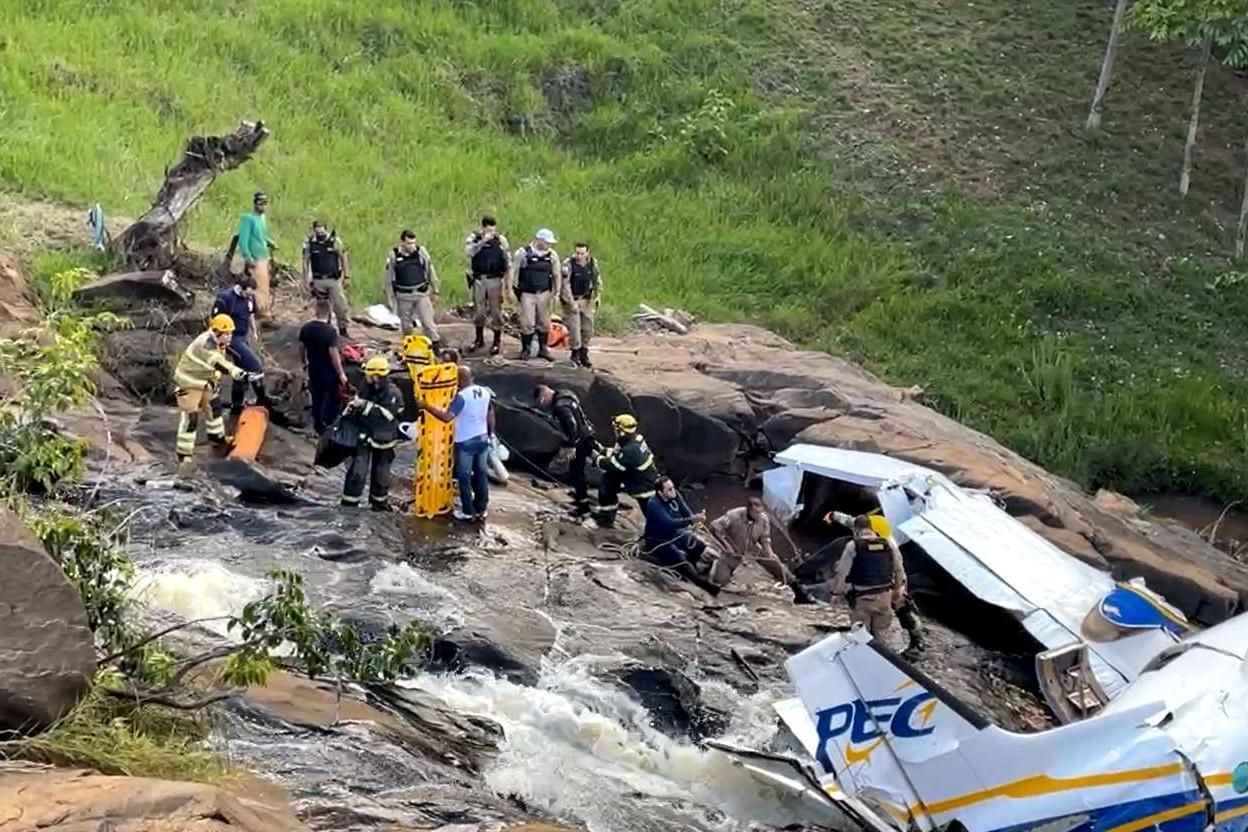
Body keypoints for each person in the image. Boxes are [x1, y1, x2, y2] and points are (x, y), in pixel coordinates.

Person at [420, 365, 496, 522]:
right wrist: (491, 433)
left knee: (464, 477)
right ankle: (481, 509)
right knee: (481, 475)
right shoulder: (485, 392)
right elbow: (490, 413)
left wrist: (426, 406)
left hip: (465, 441)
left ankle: (467, 511)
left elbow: (447, 417)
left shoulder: (461, 397)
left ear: (459, 379)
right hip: (482, 438)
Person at [173, 314, 251, 463]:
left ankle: (218, 440)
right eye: (226, 334)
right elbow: (218, 362)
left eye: (230, 333)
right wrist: (237, 372)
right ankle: (184, 454)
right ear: (216, 332)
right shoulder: (205, 344)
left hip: (207, 382)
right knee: (191, 418)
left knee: (214, 410)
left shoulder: (219, 343)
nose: (229, 337)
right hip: (188, 383)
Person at [708, 498, 814, 604]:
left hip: (751, 546)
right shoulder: (733, 515)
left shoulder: (763, 519)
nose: (758, 516)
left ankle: (799, 590)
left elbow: (765, 539)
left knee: (775, 564)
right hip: (732, 550)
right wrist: (727, 545)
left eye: (760, 512)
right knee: (719, 581)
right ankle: (713, 566)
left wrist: (770, 552)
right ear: (748, 510)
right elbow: (714, 526)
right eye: (755, 513)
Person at [831, 515, 909, 645]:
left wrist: (836, 593)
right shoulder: (888, 544)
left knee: (860, 638)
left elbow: (842, 572)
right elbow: (899, 570)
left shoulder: (853, 546)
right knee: (881, 638)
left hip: (862, 600)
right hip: (884, 598)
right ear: (871, 528)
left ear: (856, 530)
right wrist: (896, 591)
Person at [341, 356, 403, 511]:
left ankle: (379, 503)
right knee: (357, 472)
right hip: (365, 435)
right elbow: (361, 402)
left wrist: (364, 406)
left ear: (376, 376)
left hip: (384, 439)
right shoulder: (366, 387)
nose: (365, 377)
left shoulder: (393, 393)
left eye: (368, 374)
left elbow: (388, 415)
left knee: (381, 473)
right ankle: (349, 504)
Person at [642, 477, 721, 595]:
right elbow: (669, 523)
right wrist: (692, 519)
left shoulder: (675, 496)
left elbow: (685, 511)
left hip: (675, 533)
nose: (673, 491)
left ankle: (705, 564)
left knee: (698, 545)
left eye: (673, 487)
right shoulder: (654, 505)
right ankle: (702, 583)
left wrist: (694, 519)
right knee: (680, 558)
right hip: (658, 539)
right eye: (669, 489)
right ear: (660, 493)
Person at [533, 384, 599, 514]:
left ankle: (583, 507)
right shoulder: (566, 394)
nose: (543, 404)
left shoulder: (560, 407)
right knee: (580, 469)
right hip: (587, 434)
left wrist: (571, 446)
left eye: (542, 400)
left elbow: (571, 424)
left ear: (544, 395)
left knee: (576, 472)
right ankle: (581, 498)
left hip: (579, 441)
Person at [210, 274, 268, 416]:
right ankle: (262, 398)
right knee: (254, 366)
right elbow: (215, 320)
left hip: (243, 336)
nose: (250, 296)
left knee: (240, 369)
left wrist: (254, 331)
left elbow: (251, 314)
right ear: (241, 289)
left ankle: (237, 404)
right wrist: (221, 341)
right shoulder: (226, 298)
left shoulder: (249, 298)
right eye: (248, 293)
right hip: (231, 337)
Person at [594, 413, 658, 528]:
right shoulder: (634, 440)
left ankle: (661, 537)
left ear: (621, 431)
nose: (614, 430)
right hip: (637, 476)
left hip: (642, 486)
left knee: (653, 515)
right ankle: (606, 518)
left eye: (616, 428)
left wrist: (596, 458)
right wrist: (600, 449)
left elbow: (614, 465)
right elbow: (618, 454)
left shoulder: (631, 449)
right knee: (608, 483)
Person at [507, 228, 562, 360]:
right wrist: (509, 289)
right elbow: (513, 270)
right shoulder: (524, 253)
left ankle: (543, 348)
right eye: (547, 242)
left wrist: (557, 292)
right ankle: (526, 349)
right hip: (527, 293)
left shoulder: (552, 255)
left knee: (544, 322)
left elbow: (556, 274)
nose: (549, 245)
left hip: (544, 293)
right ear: (539, 240)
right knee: (527, 322)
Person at [384, 230, 441, 351]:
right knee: (406, 326)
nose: (412, 246)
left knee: (428, 322)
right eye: (409, 243)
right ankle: (409, 349)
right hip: (404, 295)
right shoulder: (394, 255)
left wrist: (435, 289)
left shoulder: (421, 252)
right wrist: (389, 297)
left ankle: (436, 347)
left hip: (421, 293)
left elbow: (430, 270)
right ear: (403, 242)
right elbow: (388, 278)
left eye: (414, 243)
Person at [299, 298, 350, 434]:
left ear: (316, 311)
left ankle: (317, 426)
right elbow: (333, 354)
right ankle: (330, 424)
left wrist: (304, 362)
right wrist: (341, 374)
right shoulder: (330, 332)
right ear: (329, 313)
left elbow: (301, 348)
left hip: (313, 368)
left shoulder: (306, 329)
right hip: (328, 370)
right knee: (334, 397)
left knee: (317, 397)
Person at [464, 215, 511, 355]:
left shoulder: (500, 240)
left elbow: (507, 259)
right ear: (483, 228)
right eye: (488, 229)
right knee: (479, 311)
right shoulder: (474, 238)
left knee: (496, 311)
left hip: (495, 279)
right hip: (479, 279)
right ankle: (479, 339)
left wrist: (507, 281)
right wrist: (482, 242)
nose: (491, 232)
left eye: (493, 229)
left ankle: (497, 342)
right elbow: (468, 252)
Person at [302, 220, 351, 336]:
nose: (319, 230)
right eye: (317, 228)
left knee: (341, 306)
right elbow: (305, 261)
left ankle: (343, 330)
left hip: (333, 280)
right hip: (318, 279)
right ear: (314, 229)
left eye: (321, 227)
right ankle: (326, 331)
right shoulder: (310, 243)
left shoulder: (334, 241)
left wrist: (347, 276)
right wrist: (305, 279)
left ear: (325, 228)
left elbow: (343, 258)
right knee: (323, 307)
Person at [235, 192, 275, 320]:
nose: (263, 207)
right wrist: (248, 257)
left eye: (265, 204)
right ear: (255, 204)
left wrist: (270, 242)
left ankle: (265, 309)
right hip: (255, 258)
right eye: (260, 204)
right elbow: (243, 240)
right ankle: (262, 313)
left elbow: (261, 236)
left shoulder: (262, 218)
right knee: (258, 286)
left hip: (264, 256)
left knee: (265, 285)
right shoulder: (248, 219)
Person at [561, 242, 601, 368]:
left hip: (586, 300)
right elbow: (565, 284)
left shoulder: (593, 263)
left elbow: (597, 280)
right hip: (573, 299)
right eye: (577, 253)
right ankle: (575, 354)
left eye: (582, 253)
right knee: (574, 328)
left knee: (587, 328)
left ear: (587, 253)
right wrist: (571, 302)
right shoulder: (569, 263)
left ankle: (584, 353)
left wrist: (598, 296)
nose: (579, 256)